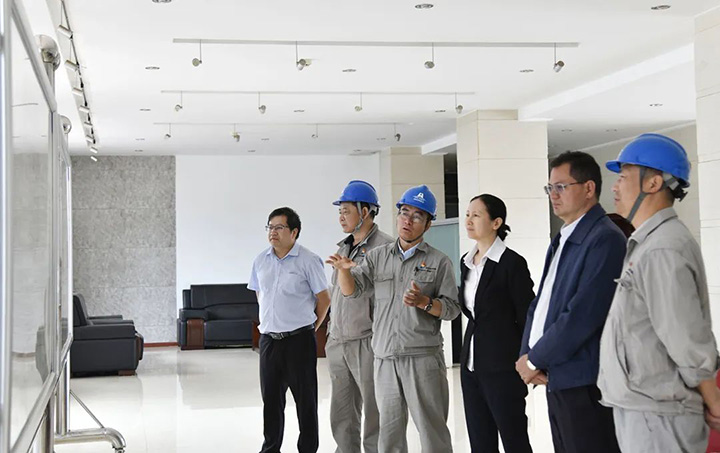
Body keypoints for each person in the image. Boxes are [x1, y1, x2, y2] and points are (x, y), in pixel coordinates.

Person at [599, 133, 720, 452]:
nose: (615, 187)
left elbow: (683, 334)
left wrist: (713, 400)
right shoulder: (649, 242)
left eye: (624, 177)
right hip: (646, 407)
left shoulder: (663, 247)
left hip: (660, 413)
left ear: (653, 183)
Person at [327, 185, 460, 453]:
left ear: (428, 224)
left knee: (432, 433)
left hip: (422, 358)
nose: (408, 221)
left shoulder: (439, 261)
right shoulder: (378, 257)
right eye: (404, 213)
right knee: (388, 438)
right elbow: (353, 292)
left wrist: (425, 302)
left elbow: (452, 309)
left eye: (417, 216)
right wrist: (344, 272)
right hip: (385, 358)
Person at [515, 151, 625, 453]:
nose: (553, 195)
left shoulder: (605, 239)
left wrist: (534, 359)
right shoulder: (563, 237)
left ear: (589, 188)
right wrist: (527, 355)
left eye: (561, 187)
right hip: (558, 376)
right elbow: (541, 304)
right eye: (550, 188)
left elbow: (582, 315)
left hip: (584, 380)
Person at [248, 207, 331, 453]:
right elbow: (260, 295)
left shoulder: (308, 260)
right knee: (271, 401)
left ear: (294, 232)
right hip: (269, 341)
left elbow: (324, 299)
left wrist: (310, 328)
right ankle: (270, 448)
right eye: (270, 227)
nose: (272, 232)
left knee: (306, 401)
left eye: (279, 227)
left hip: (299, 341)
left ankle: (307, 449)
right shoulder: (260, 260)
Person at [459, 194, 535, 453]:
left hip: (503, 370)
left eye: (476, 215)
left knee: (515, 441)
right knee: (480, 443)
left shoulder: (512, 264)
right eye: (467, 214)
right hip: (471, 368)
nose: (468, 220)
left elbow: (527, 315)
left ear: (496, 222)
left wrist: (528, 360)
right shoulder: (467, 262)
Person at [327, 180, 393, 453]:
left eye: (346, 211)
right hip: (338, 341)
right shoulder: (343, 248)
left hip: (369, 341)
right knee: (341, 412)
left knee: (375, 411)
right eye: (339, 211)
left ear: (365, 212)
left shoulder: (386, 248)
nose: (341, 217)